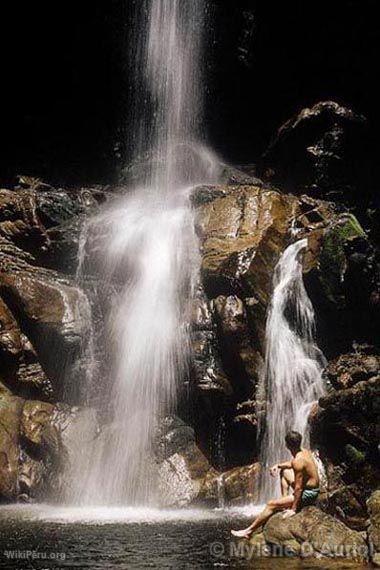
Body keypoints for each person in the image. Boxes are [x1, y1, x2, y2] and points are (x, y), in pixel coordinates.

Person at [231, 430, 320, 539]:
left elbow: (298, 488)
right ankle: (284, 501)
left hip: (308, 493)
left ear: (287, 445)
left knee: (271, 504)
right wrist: (278, 465)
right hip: (310, 488)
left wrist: (293, 509)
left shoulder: (298, 461)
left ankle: (248, 531)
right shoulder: (304, 452)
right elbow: (293, 464)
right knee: (284, 471)